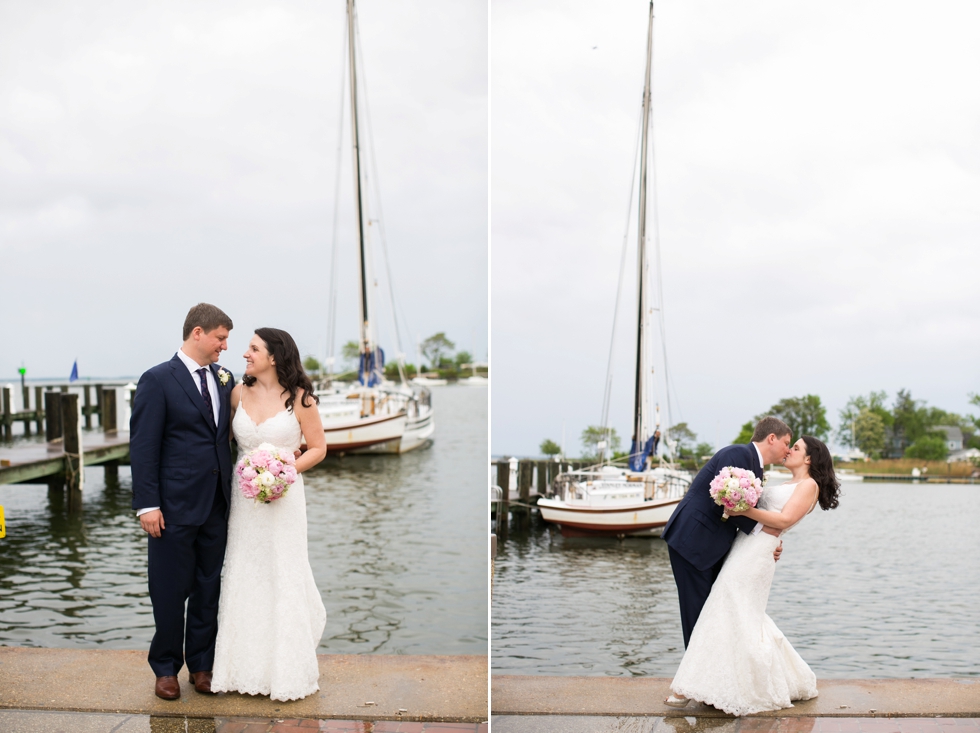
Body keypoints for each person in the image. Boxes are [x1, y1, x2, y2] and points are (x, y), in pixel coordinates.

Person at [666, 435, 842, 715]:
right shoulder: (785, 483)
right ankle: (713, 680)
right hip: (744, 546)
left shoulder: (810, 485)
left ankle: (693, 685)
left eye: (795, 448)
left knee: (726, 606)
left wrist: (745, 510)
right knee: (735, 611)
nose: (789, 451)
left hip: (757, 554)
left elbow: (784, 520)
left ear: (809, 458)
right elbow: (770, 518)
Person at [210, 327, 327, 701]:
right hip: (244, 498)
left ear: (274, 357)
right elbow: (222, 442)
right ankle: (238, 667)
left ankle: (285, 670)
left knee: (282, 570)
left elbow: (318, 448)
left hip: (284, 497)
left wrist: (284, 472)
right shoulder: (237, 394)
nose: (245, 353)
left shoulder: (301, 399)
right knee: (245, 569)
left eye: (253, 348)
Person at [130, 303, 236, 700]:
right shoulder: (158, 379)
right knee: (170, 589)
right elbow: (143, 447)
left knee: (209, 588)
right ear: (197, 333)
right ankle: (166, 669)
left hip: (217, 504)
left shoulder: (225, 380)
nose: (225, 347)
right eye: (220, 338)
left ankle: (203, 667)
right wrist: (147, 504)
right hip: (171, 507)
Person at [661, 416, 793, 650]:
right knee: (697, 613)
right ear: (772, 438)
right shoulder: (738, 454)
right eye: (786, 442)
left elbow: (745, 509)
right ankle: (693, 680)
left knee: (711, 612)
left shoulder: (754, 465)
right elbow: (723, 501)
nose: (788, 450)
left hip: (711, 546)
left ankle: (702, 677)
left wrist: (768, 542)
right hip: (693, 541)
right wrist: (766, 533)